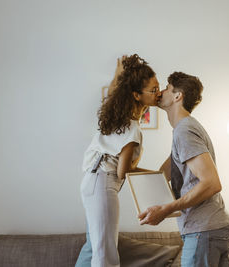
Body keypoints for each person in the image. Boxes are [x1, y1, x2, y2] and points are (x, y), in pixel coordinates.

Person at [138, 72, 229, 267]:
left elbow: (212, 183)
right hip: (210, 229)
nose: (161, 92)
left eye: (166, 88)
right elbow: (162, 175)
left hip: (203, 231)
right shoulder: (183, 130)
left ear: (177, 96)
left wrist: (166, 209)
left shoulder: (184, 131)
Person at [75, 54, 161, 267]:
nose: (158, 93)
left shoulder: (120, 119)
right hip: (103, 184)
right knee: (105, 254)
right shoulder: (131, 128)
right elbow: (124, 171)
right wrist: (157, 176)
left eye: (158, 87)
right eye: (153, 90)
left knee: (95, 247)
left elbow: (114, 90)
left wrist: (118, 72)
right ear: (136, 95)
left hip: (92, 181)